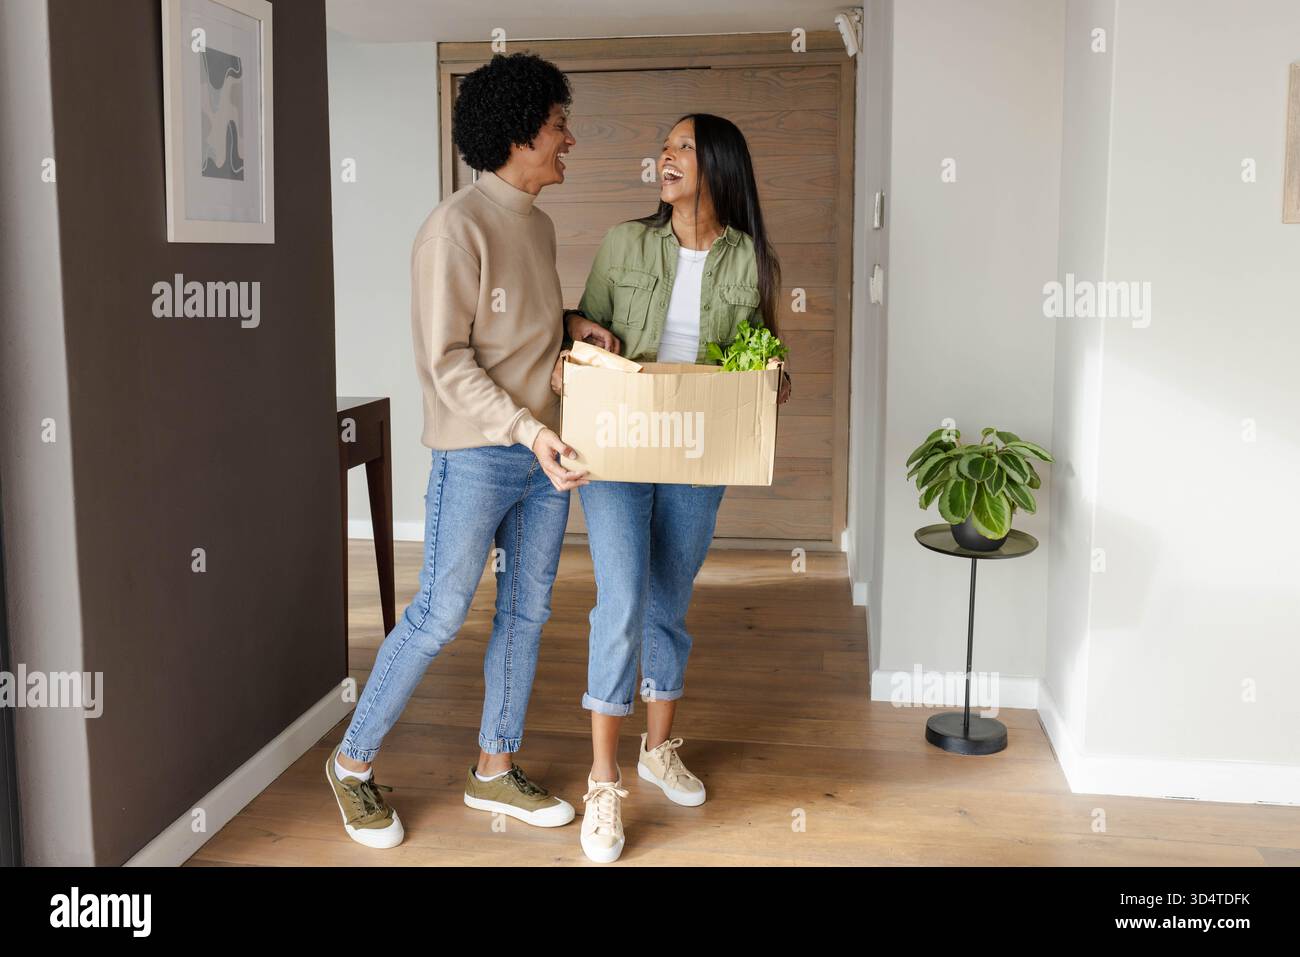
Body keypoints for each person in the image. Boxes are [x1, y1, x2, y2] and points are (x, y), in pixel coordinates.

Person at [325, 52, 617, 849]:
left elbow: (511, 321)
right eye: (559, 125)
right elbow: (448, 359)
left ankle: (494, 767)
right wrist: (528, 429)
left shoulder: (538, 223)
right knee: (440, 613)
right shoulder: (452, 229)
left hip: (544, 457)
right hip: (481, 454)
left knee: (526, 613)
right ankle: (351, 765)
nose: (570, 140)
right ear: (521, 134)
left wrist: (568, 323)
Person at [557, 113, 791, 862]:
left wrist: (771, 380)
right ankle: (603, 780)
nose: (667, 155)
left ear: (719, 165)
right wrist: (580, 335)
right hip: (619, 448)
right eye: (665, 145)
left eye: (684, 146)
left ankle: (658, 750)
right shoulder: (626, 242)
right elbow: (578, 323)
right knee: (621, 599)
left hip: (697, 451)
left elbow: (763, 354)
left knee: (669, 599)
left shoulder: (748, 257)